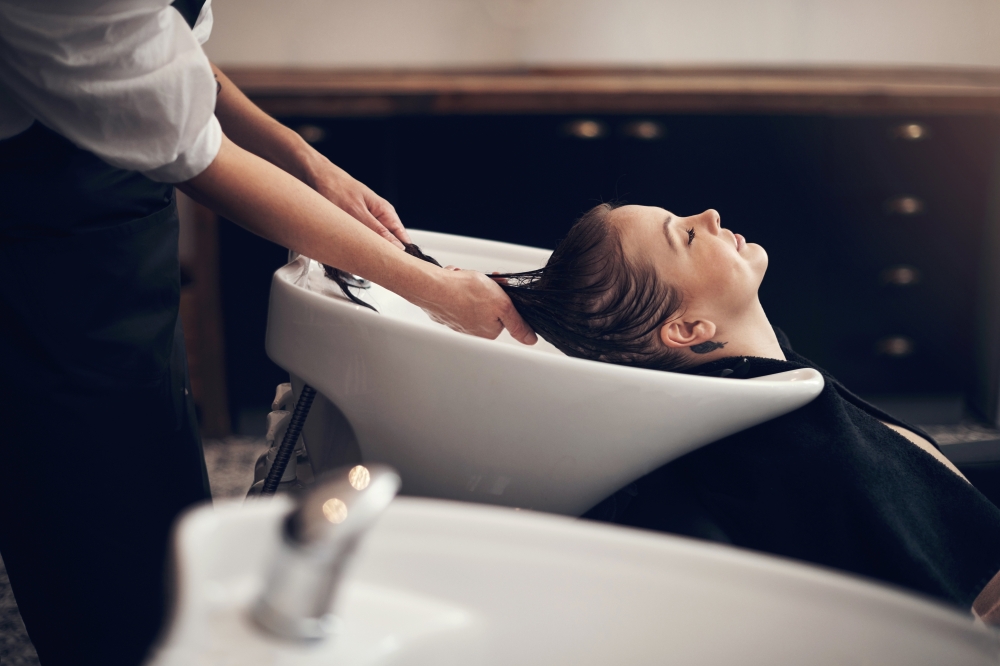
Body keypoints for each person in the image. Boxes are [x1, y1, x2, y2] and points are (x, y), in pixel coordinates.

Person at [0, 1, 534, 664]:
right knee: (106, 549)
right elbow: (198, 157)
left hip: (119, 217)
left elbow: (173, 64)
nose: (708, 214)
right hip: (40, 242)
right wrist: (426, 287)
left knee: (162, 500)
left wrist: (310, 164)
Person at [495, 202, 1000, 621]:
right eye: (687, 237)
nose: (710, 216)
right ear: (689, 328)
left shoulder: (780, 389)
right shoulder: (795, 450)